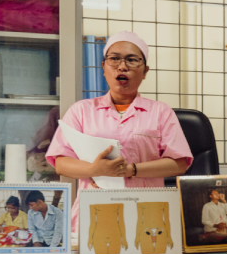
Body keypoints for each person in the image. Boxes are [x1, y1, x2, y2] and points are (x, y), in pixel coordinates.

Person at [46, 31, 192, 236]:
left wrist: (131, 170)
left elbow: (180, 162)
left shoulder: (160, 112)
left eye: (132, 60)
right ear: (103, 67)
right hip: (95, 211)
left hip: (146, 212)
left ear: (145, 71)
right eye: (114, 59)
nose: (122, 66)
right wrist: (95, 169)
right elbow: (61, 162)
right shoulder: (81, 110)